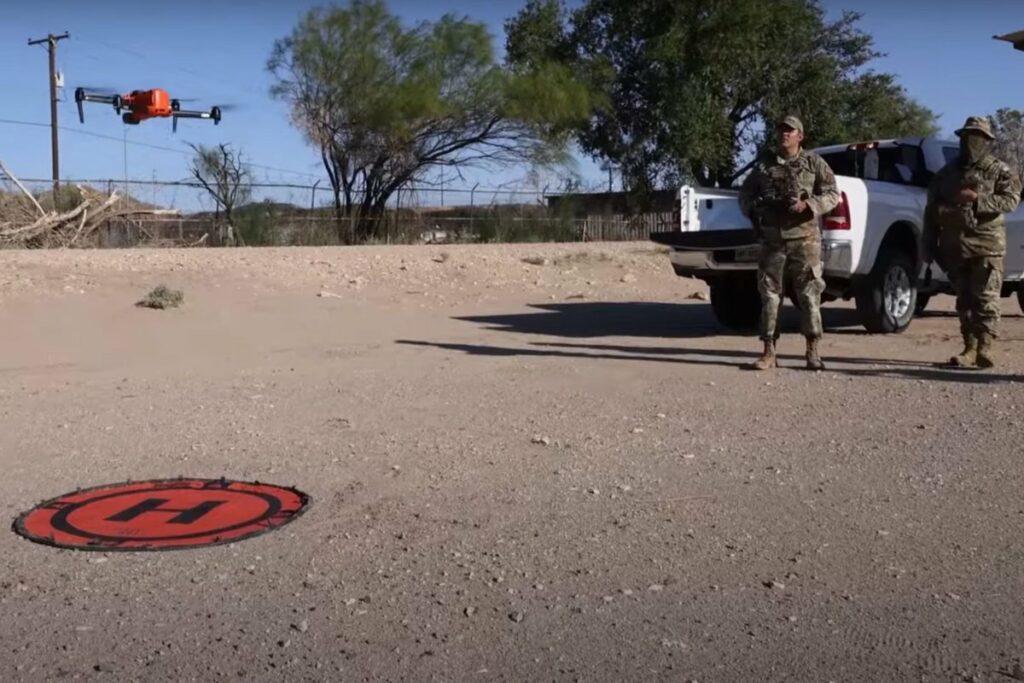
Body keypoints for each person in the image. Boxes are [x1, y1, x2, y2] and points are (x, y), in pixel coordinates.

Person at [738, 115, 839, 370]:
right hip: (772, 241)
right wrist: (754, 209)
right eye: (781, 130)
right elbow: (745, 193)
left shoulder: (813, 162)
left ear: (799, 136)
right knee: (770, 296)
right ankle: (769, 351)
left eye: (790, 131)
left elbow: (832, 194)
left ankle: (812, 351)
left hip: (805, 241)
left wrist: (808, 205)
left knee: (809, 295)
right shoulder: (764, 166)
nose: (784, 134)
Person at [922, 115, 1022, 369]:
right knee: (964, 300)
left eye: (977, 137)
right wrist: (928, 245)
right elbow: (931, 211)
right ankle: (969, 347)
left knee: (986, 298)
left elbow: (1011, 201)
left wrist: (978, 199)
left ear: (987, 141)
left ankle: (985, 347)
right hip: (955, 247)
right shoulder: (946, 174)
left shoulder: (1000, 170)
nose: (971, 142)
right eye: (967, 137)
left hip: (987, 245)